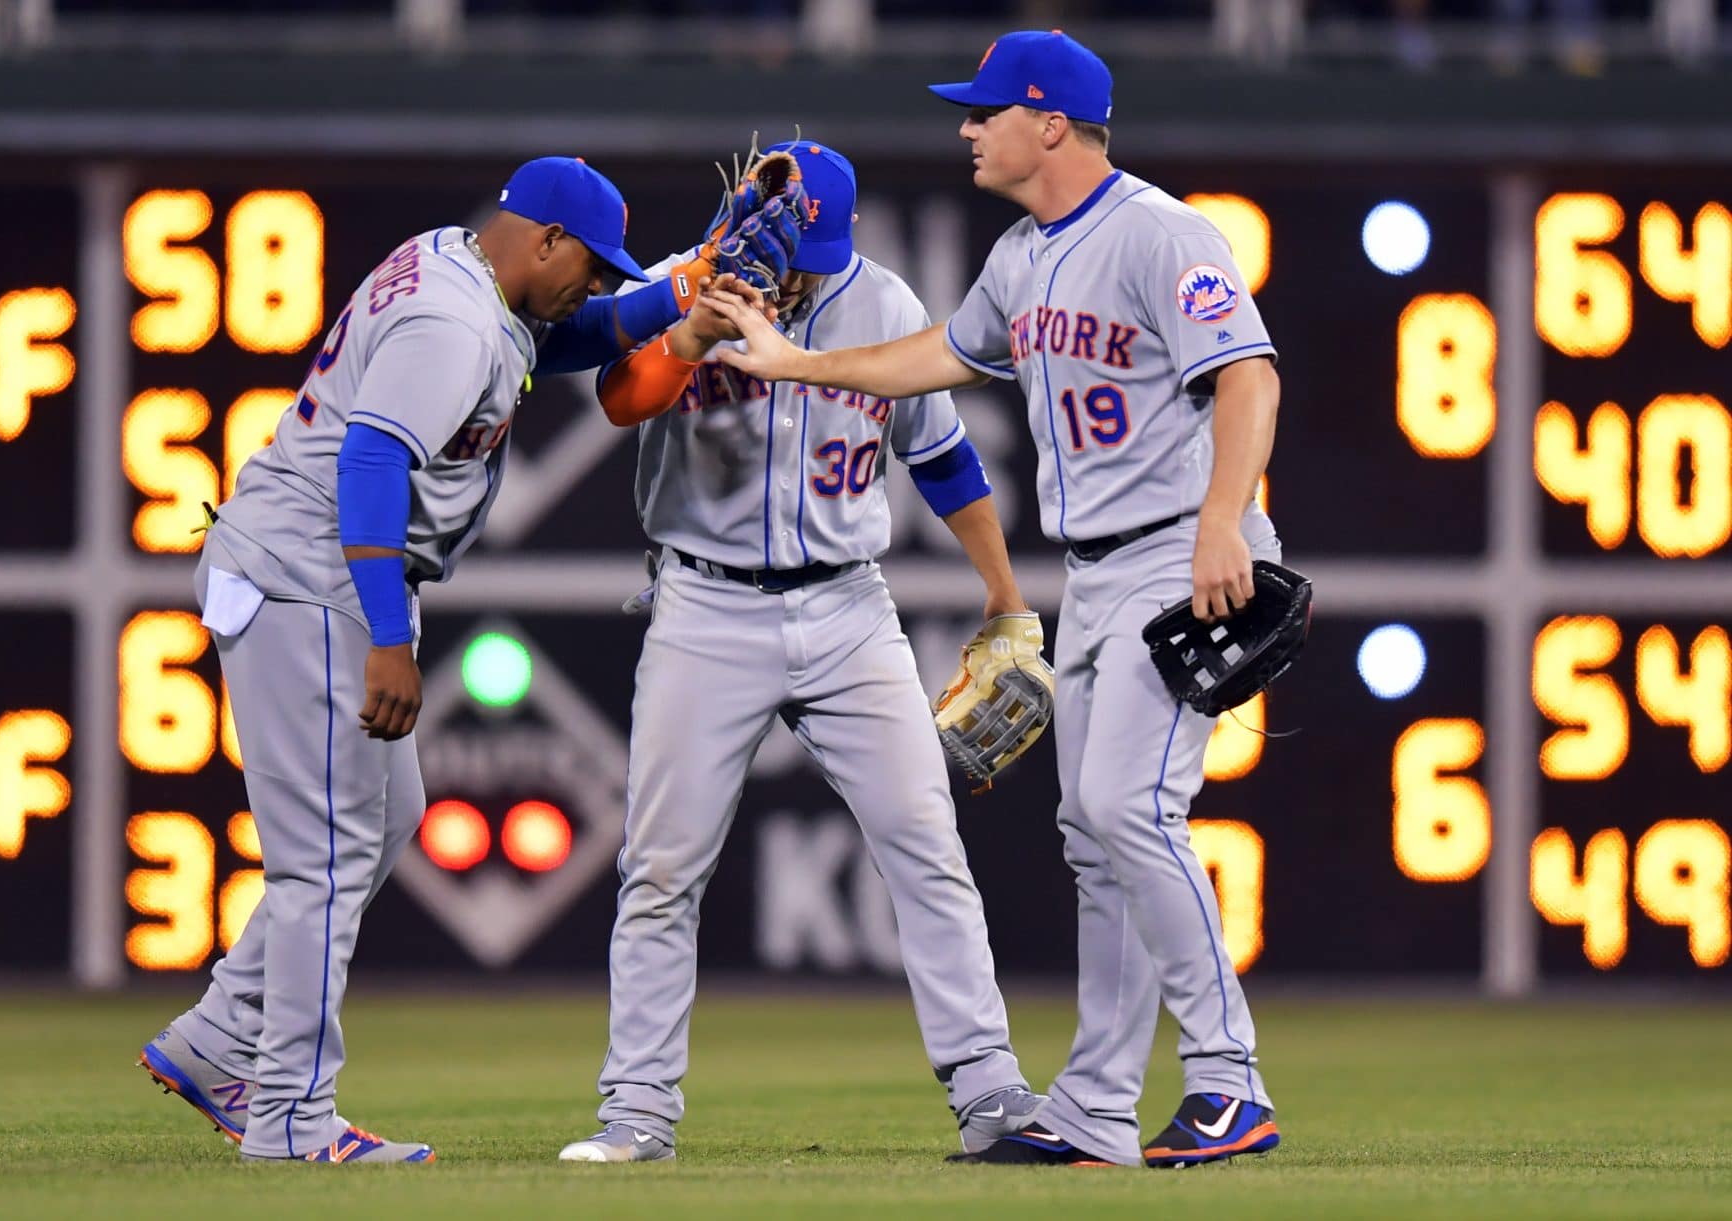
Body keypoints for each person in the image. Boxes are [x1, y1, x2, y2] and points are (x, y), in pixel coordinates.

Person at [704, 31, 1285, 1169]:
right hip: (1099, 569)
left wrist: (1223, 521)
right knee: (1089, 834)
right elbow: (935, 358)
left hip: (1179, 553)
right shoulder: (1022, 257)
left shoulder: (1162, 233)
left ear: (1050, 123)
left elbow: (1249, 374)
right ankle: (1095, 1111)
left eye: (985, 112)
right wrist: (791, 362)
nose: (966, 128)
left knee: (1129, 812)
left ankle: (1229, 1081)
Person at [134, 157, 772, 1164]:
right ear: (545, 241)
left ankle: (217, 1041)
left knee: (385, 818)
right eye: (589, 263)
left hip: (301, 564)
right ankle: (291, 1120)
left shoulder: (459, 267)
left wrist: (680, 290)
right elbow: (372, 460)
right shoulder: (452, 321)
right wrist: (388, 635)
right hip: (317, 576)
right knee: (324, 861)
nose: (595, 283)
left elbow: (576, 335)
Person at [555, 138, 1046, 1164]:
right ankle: (637, 1112)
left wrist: (1002, 595)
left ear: (850, 231)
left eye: (820, 245)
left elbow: (943, 459)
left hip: (847, 613)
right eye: (790, 241)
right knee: (660, 869)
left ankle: (991, 1094)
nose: (802, 262)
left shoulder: (883, 302)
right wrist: (690, 325)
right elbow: (617, 399)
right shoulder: (677, 283)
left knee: (925, 846)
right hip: (705, 607)